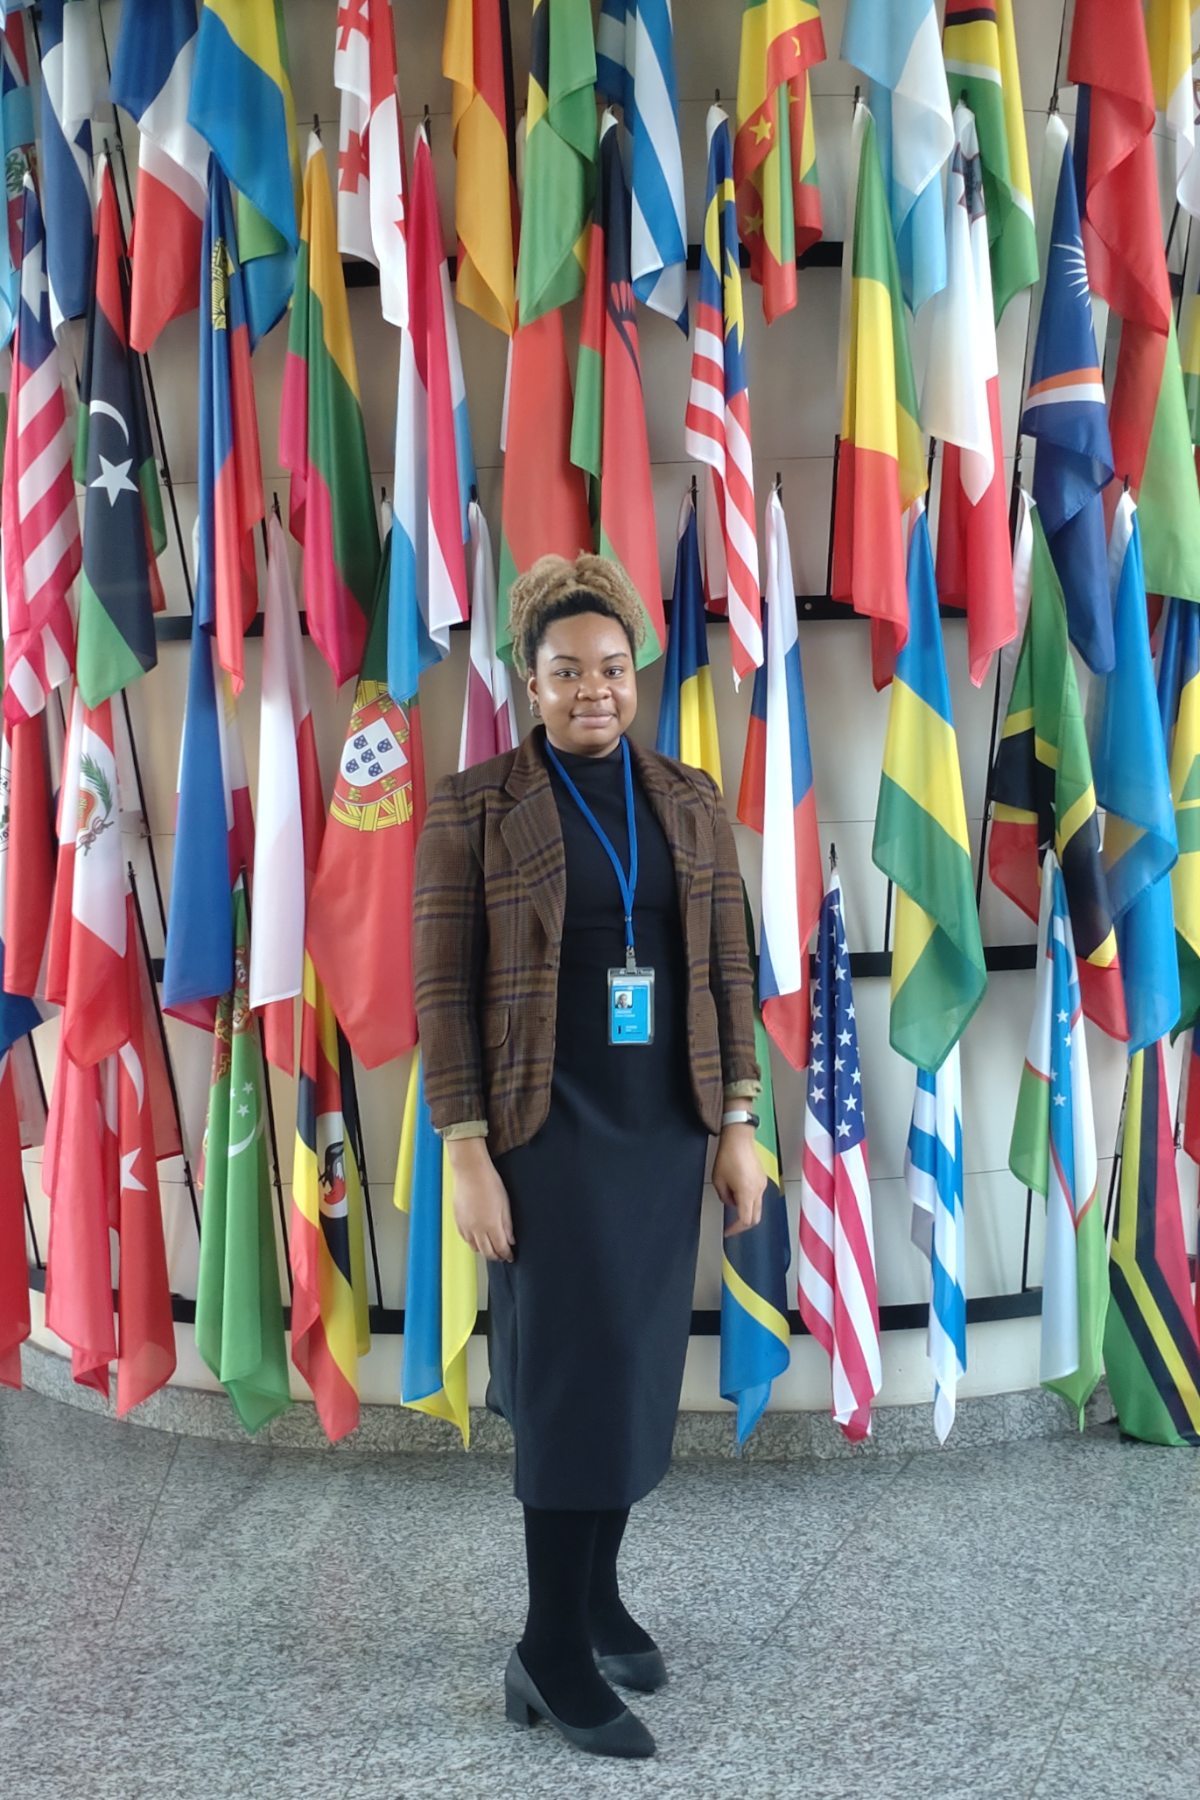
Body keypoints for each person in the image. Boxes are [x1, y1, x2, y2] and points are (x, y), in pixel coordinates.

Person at [413, 554, 766, 1760]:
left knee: (629, 1376)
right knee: (567, 1390)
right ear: (530, 679)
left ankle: (599, 1600)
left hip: (664, 1132)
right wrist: (465, 1151)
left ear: (638, 670)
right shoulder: (472, 806)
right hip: (542, 1136)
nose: (594, 692)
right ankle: (546, 1650)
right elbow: (442, 995)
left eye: (612, 669)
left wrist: (740, 1124)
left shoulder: (692, 797)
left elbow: (730, 969)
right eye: (567, 672)